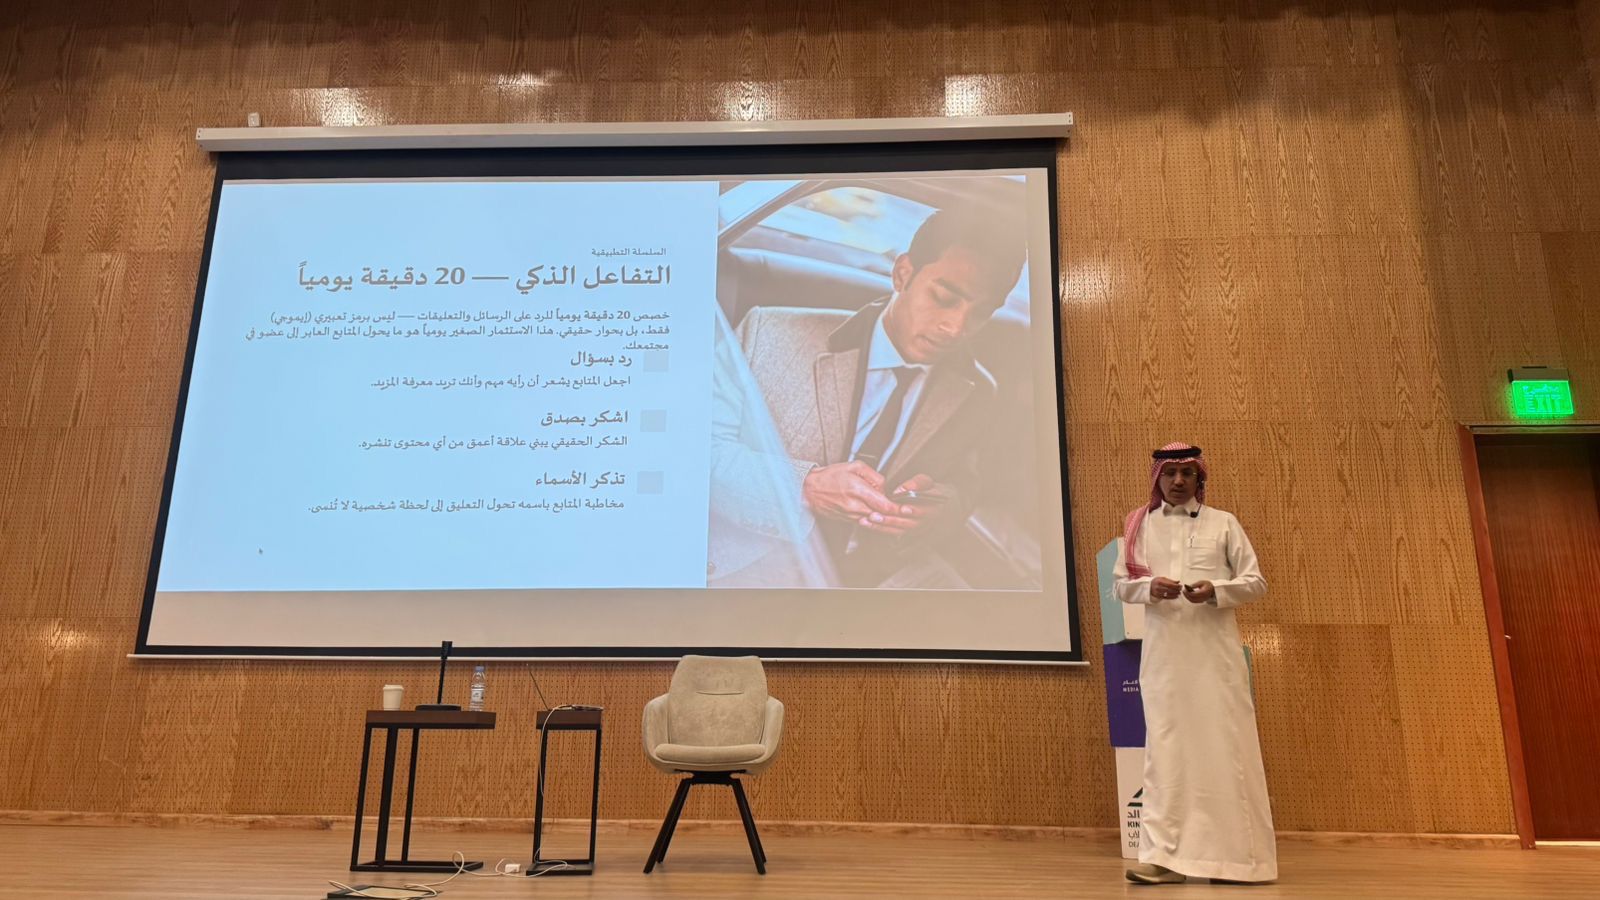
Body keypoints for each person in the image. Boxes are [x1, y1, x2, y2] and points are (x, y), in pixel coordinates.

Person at [707, 202, 1026, 588]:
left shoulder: (978, 391)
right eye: (944, 298)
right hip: (754, 566)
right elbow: (696, 455)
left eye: (981, 312)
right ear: (903, 273)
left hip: (886, 577)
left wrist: (940, 509)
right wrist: (804, 487)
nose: (956, 327)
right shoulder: (769, 334)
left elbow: (965, 484)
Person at [1113, 443, 1277, 885]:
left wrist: (1217, 591)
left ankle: (1237, 861)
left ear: (1199, 478)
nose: (1179, 481)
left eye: (1187, 473)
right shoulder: (1140, 525)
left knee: (1226, 749)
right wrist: (1149, 587)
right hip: (1164, 661)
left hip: (1215, 660)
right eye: (1171, 473)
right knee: (1166, 755)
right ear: (1158, 478)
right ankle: (1165, 860)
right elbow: (1121, 586)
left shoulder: (1224, 523)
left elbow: (1255, 582)